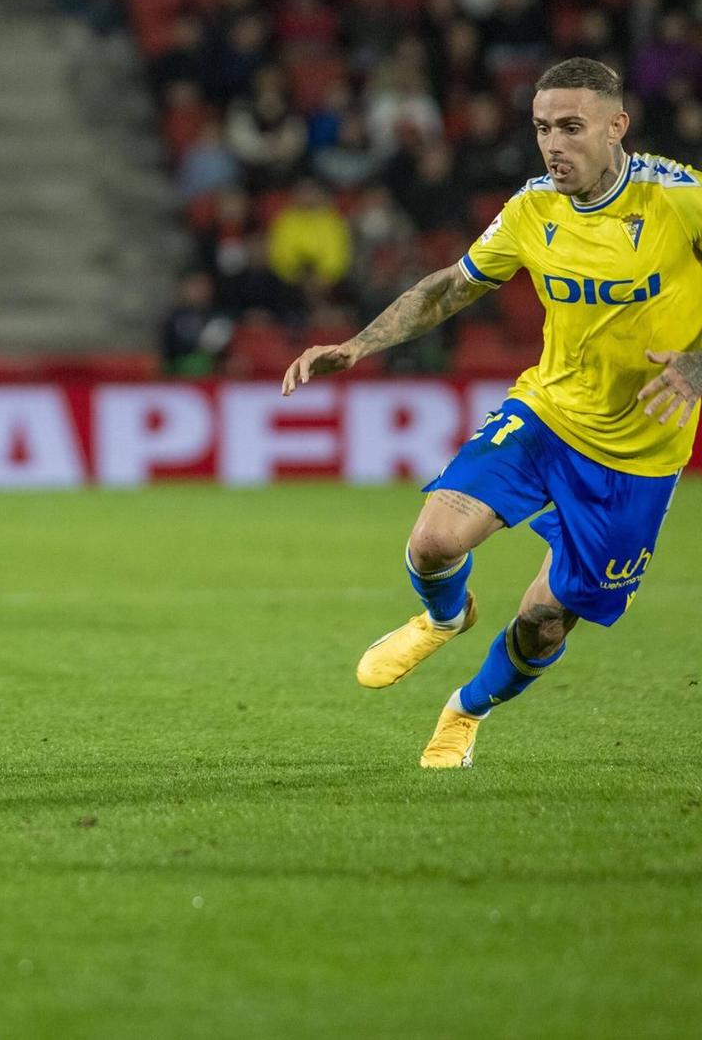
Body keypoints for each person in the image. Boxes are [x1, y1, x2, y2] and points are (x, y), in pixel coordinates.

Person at [282, 58, 702, 768]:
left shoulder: (680, 198)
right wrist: (357, 346)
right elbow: (450, 288)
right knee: (434, 542)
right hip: (546, 413)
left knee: (543, 622)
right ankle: (446, 614)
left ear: (616, 126)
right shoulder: (533, 208)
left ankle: (464, 711)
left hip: (640, 452)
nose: (553, 145)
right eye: (543, 128)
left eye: (571, 127)